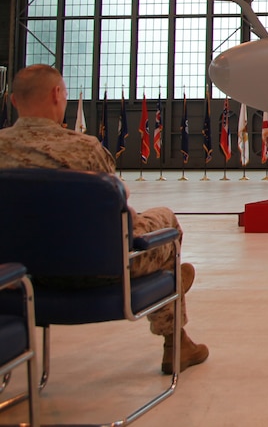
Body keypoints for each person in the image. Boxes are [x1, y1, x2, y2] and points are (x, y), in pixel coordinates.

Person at [0, 64, 209, 374]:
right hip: (95, 274)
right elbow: (118, 215)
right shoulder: (84, 150)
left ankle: (173, 288)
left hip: (14, 278)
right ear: (58, 94)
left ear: (14, 101)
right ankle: (176, 338)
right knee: (165, 220)